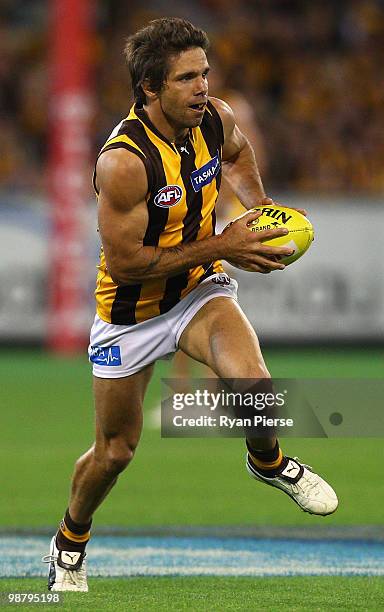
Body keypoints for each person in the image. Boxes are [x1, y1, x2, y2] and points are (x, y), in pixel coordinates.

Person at [43, 17, 338, 592]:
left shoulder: (215, 118)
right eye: (186, 79)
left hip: (198, 290)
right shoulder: (123, 161)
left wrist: (259, 210)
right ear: (149, 90)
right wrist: (227, 243)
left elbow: (238, 152)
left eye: (204, 73)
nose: (203, 87)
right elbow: (128, 264)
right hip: (130, 313)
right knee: (115, 451)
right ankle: (70, 542)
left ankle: (270, 462)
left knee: (253, 385)